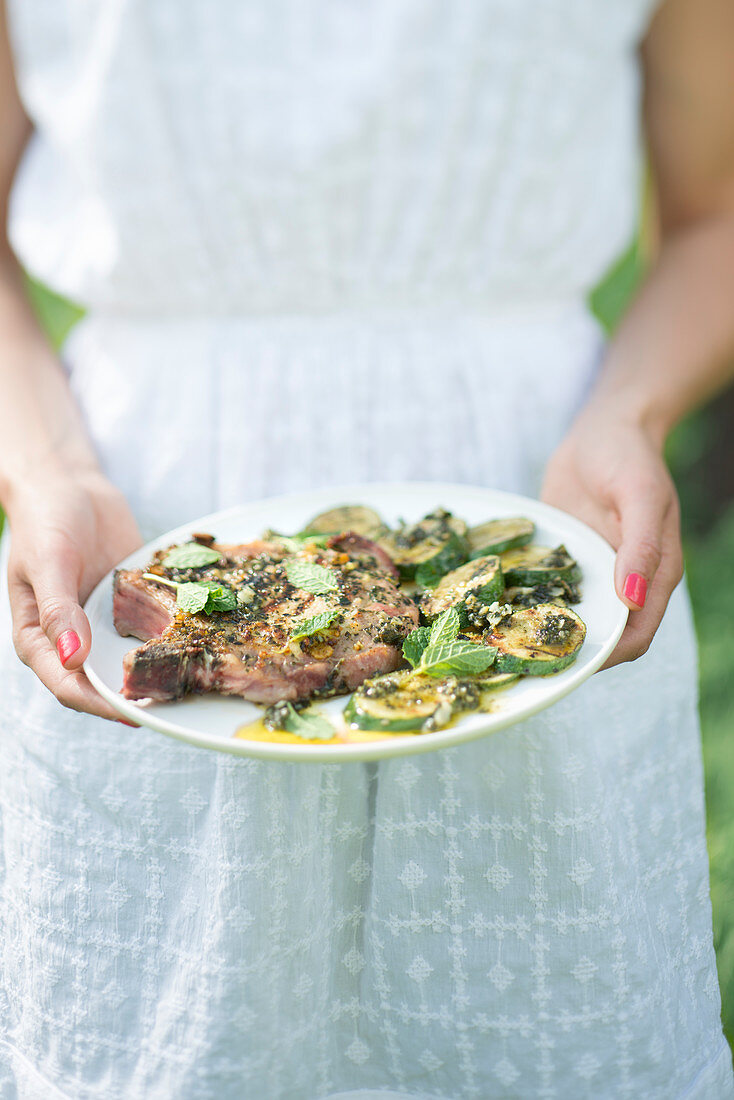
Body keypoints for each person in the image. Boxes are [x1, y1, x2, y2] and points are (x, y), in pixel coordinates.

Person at [1, 0, 733, 1096]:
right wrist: (45, 468)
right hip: (141, 530)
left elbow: (712, 214)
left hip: (543, 524)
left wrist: (628, 413)